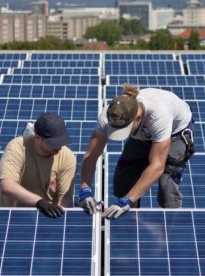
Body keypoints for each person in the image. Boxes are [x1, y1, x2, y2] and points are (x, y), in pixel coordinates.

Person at [78, 84, 195, 219]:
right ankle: (132, 226)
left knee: (166, 190)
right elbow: (91, 156)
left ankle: (172, 230)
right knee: (124, 184)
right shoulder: (109, 115)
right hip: (142, 132)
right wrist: (85, 190)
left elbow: (157, 166)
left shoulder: (159, 116)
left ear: (138, 118)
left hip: (175, 132)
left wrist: (127, 200)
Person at [0, 112, 76, 218]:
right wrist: (39, 201)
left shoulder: (68, 157)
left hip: (45, 217)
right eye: (53, 142)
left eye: (61, 141)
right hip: (11, 216)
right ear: (37, 137)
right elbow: (7, 186)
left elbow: (65, 199)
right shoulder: (17, 147)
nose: (59, 146)